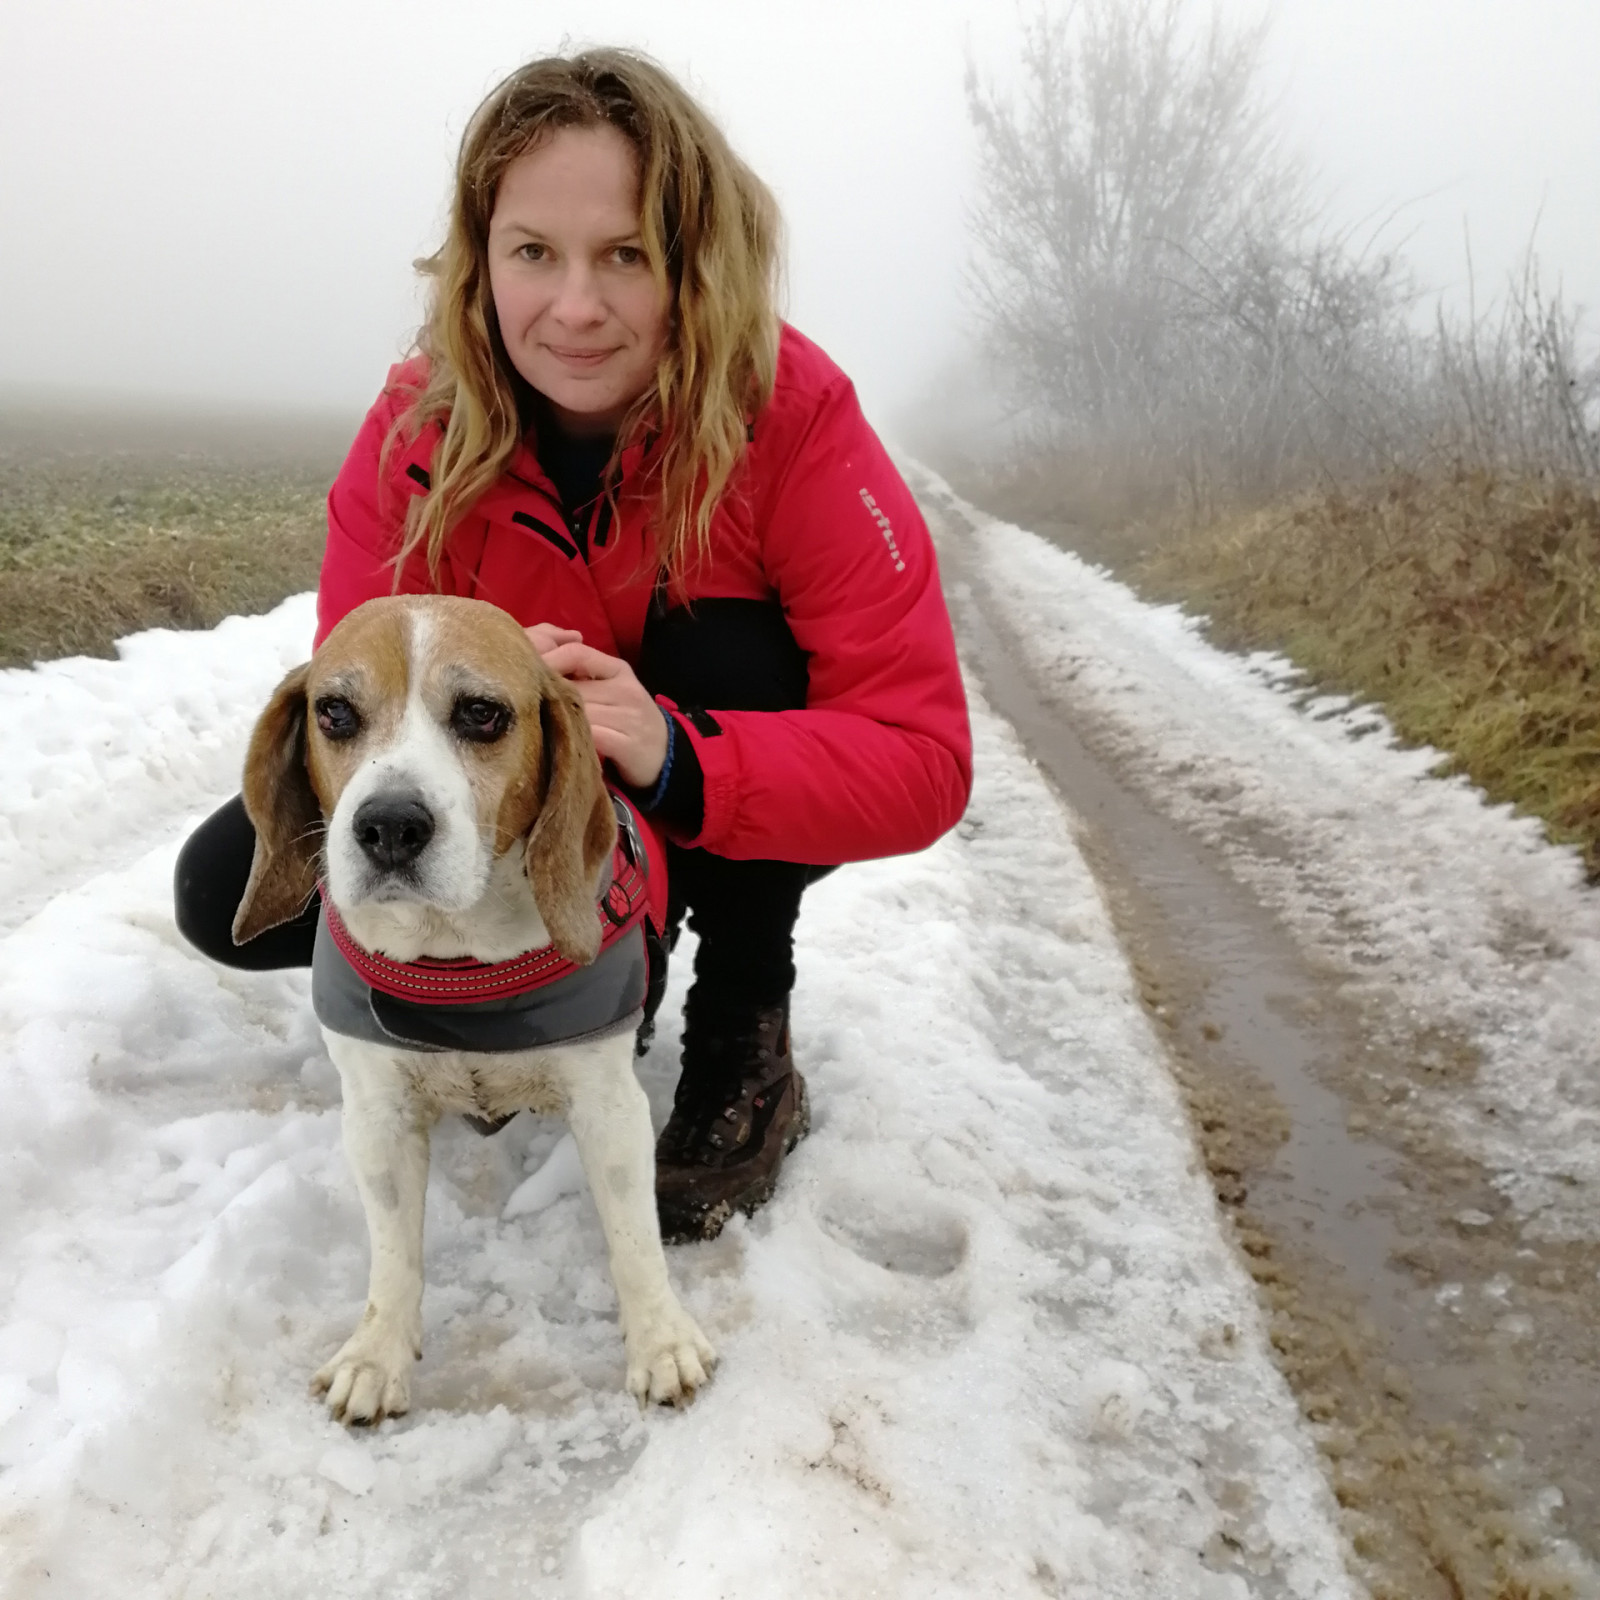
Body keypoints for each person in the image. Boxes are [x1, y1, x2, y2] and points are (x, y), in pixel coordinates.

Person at [174, 48, 972, 1242]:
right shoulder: (412, 435)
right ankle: (516, 985)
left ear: (694, 261)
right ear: (479, 257)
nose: (577, 306)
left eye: (627, 255)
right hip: (517, 800)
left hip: (696, 798)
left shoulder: (795, 418)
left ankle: (742, 1023)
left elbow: (920, 758)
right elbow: (351, 703)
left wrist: (678, 753)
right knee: (219, 890)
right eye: (533, 252)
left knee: (739, 658)